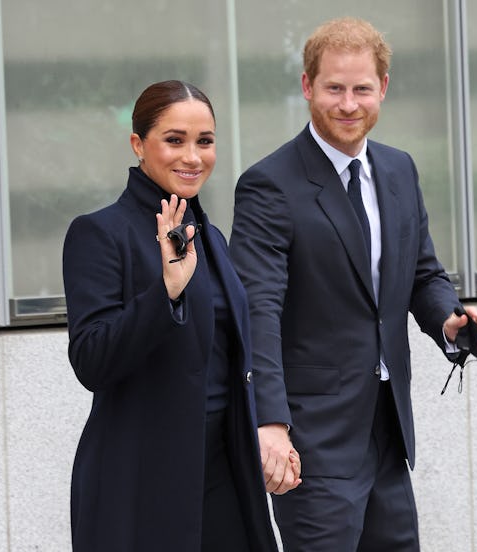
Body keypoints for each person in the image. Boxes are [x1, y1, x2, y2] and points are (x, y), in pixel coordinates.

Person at [229, 17, 477, 551]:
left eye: (361, 89)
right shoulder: (268, 185)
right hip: (312, 438)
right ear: (308, 87)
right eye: (333, 88)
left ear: (384, 89)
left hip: (387, 432)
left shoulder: (399, 170)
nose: (348, 104)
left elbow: (422, 273)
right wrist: (270, 424)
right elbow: (256, 309)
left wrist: (449, 318)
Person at [62, 80, 284, 551]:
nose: (192, 156)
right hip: (141, 481)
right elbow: (91, 360)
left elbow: (233, 357)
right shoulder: (100, 233)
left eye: (204, 141)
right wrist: (166, 291)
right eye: (174, 140)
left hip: (225, 473)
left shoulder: (212, 239)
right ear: (139, 144)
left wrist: (269, 428)